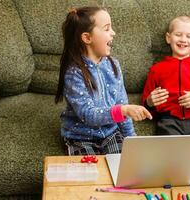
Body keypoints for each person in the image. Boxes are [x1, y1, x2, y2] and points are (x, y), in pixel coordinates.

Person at [55, 6, 152, 155]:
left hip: (111, 133)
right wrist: (122, 110)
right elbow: (88, 114)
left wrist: (131, 139)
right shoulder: (74, 73)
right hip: (80, 138)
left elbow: (122, 103)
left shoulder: (114, 65)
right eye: (107, 29)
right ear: (87, 38)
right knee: (91, 174)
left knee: (124, 167)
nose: (113, 33)